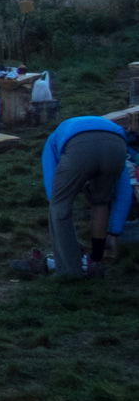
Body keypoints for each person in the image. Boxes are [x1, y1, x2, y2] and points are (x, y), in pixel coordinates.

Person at [36, 117, 136, 279]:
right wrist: (114, 234)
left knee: (59, 204)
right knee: (101, 201)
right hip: (116, 145)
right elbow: (124, 194)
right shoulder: (109, 132)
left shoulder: (52, 141)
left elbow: (52, 192)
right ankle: (96, 261)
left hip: (78, 145)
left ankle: (69, 270)